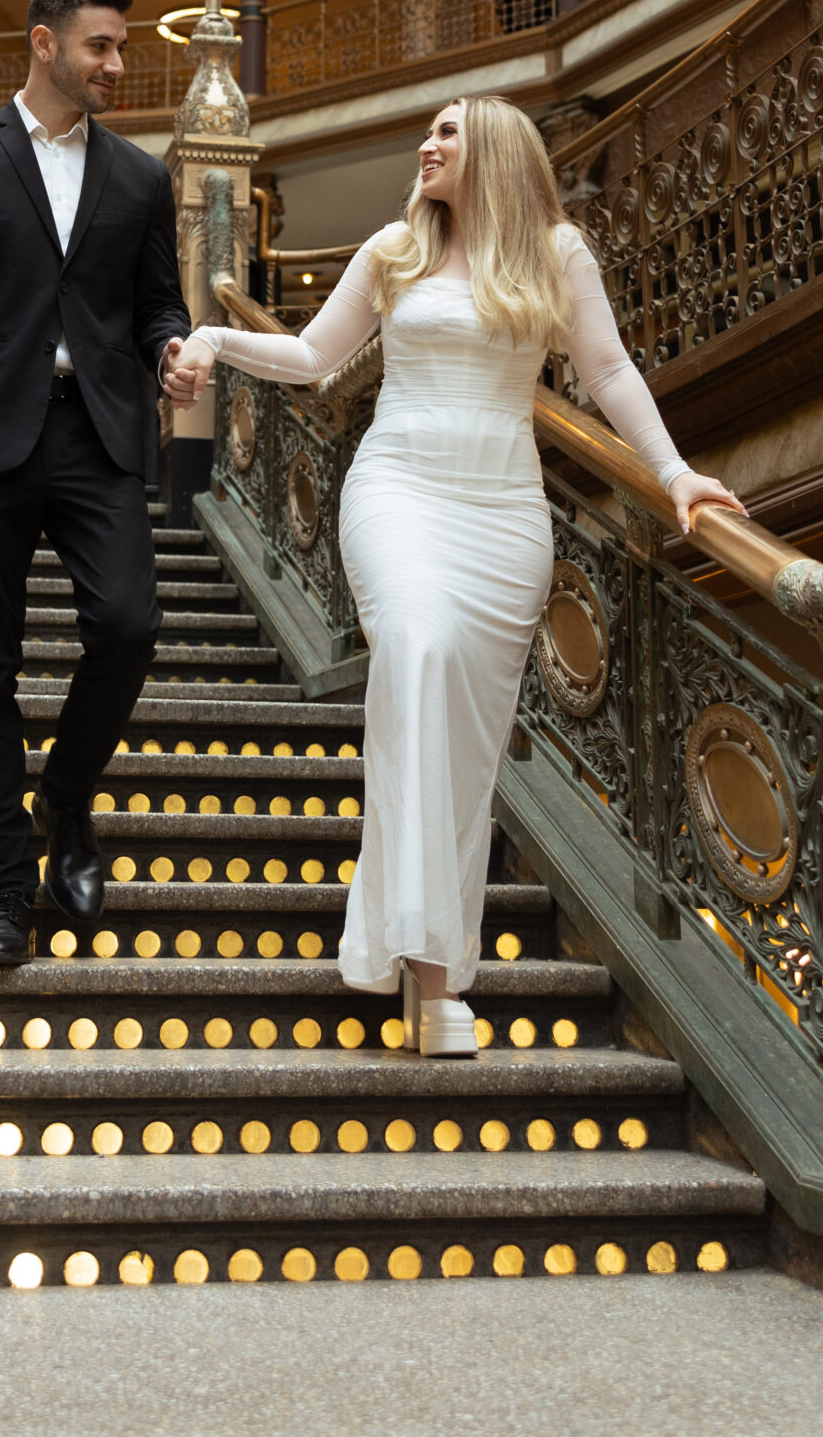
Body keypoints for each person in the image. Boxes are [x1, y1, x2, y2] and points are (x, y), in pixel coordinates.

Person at [164, 94, 744, 1054]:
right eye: (424, 131)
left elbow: (606, 374)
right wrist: (216, 339)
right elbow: (314, 355)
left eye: (446, 132)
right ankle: (414, 959)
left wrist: (674, 474)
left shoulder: (556, 252)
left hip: (503, 517)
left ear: (499, 152)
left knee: (464, 749)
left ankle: (434, 976)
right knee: (416, 655)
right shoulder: (395, 247)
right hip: (397, 491)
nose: (426, 144)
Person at [0, 0, 191, 968]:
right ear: (43, 44)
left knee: (129, 623)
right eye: (100, 46)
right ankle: (8, 887)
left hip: (96, 435)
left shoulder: (142, 179)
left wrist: (169, 348)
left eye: (119, 48)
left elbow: (157, 304)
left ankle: (64, 791)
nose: (115, 65)